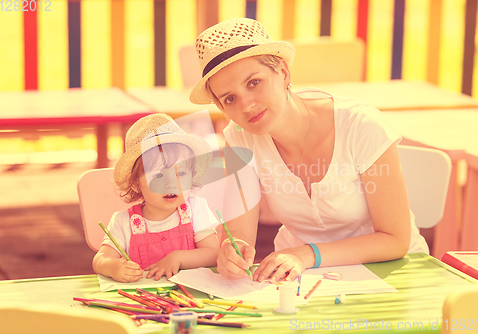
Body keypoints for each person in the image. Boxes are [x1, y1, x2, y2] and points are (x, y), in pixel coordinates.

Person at [189, 18, 429, 282]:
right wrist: (230, 252)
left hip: (391, 273)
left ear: (283, 73)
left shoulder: (360, 125)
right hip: (302, 279)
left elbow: (395, 241)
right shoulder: (239, 138)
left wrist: (306, 254)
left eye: (254, 83)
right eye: (230, 99)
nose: (246, 106)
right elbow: (239, 236)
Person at [93, 114, 219, 282]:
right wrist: (113, 267)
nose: (171, 183)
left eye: (181, 173)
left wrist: (177, 258)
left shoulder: (195, 209)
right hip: (144, 300)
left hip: (192, 296)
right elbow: (99, 260)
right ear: (136, 183)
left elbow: (213, 253)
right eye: (159, 176)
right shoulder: (123, 222)